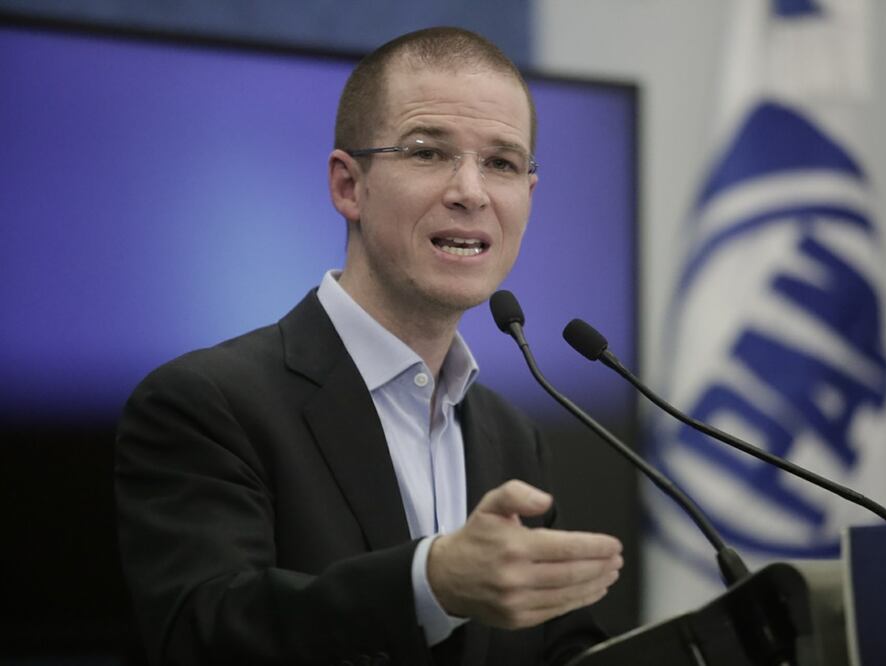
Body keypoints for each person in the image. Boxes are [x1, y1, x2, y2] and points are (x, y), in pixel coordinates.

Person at [115, 26, 623, 666]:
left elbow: (557, 647)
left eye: (501, 163)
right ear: (348, 186)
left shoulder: (512, 434)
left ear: (528, 195)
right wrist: (430, 584)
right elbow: (206, 632)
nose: (471, 191)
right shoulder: (205, 404)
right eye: (428, 152)